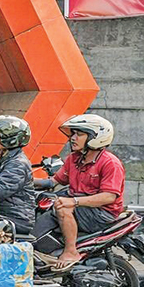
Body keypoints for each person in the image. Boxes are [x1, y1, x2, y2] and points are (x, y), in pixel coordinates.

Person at [35, 114, 126, 268]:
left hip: (101, 213)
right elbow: (53, 182)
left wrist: (73, 201)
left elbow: (109, 196)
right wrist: (23, 180)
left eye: (80, 134)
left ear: (95, 137)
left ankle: (71, 251)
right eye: (73, 133)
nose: (73, 138)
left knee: (63, 206)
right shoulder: (74, 158)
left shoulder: (110, 163)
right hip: (80, 206)